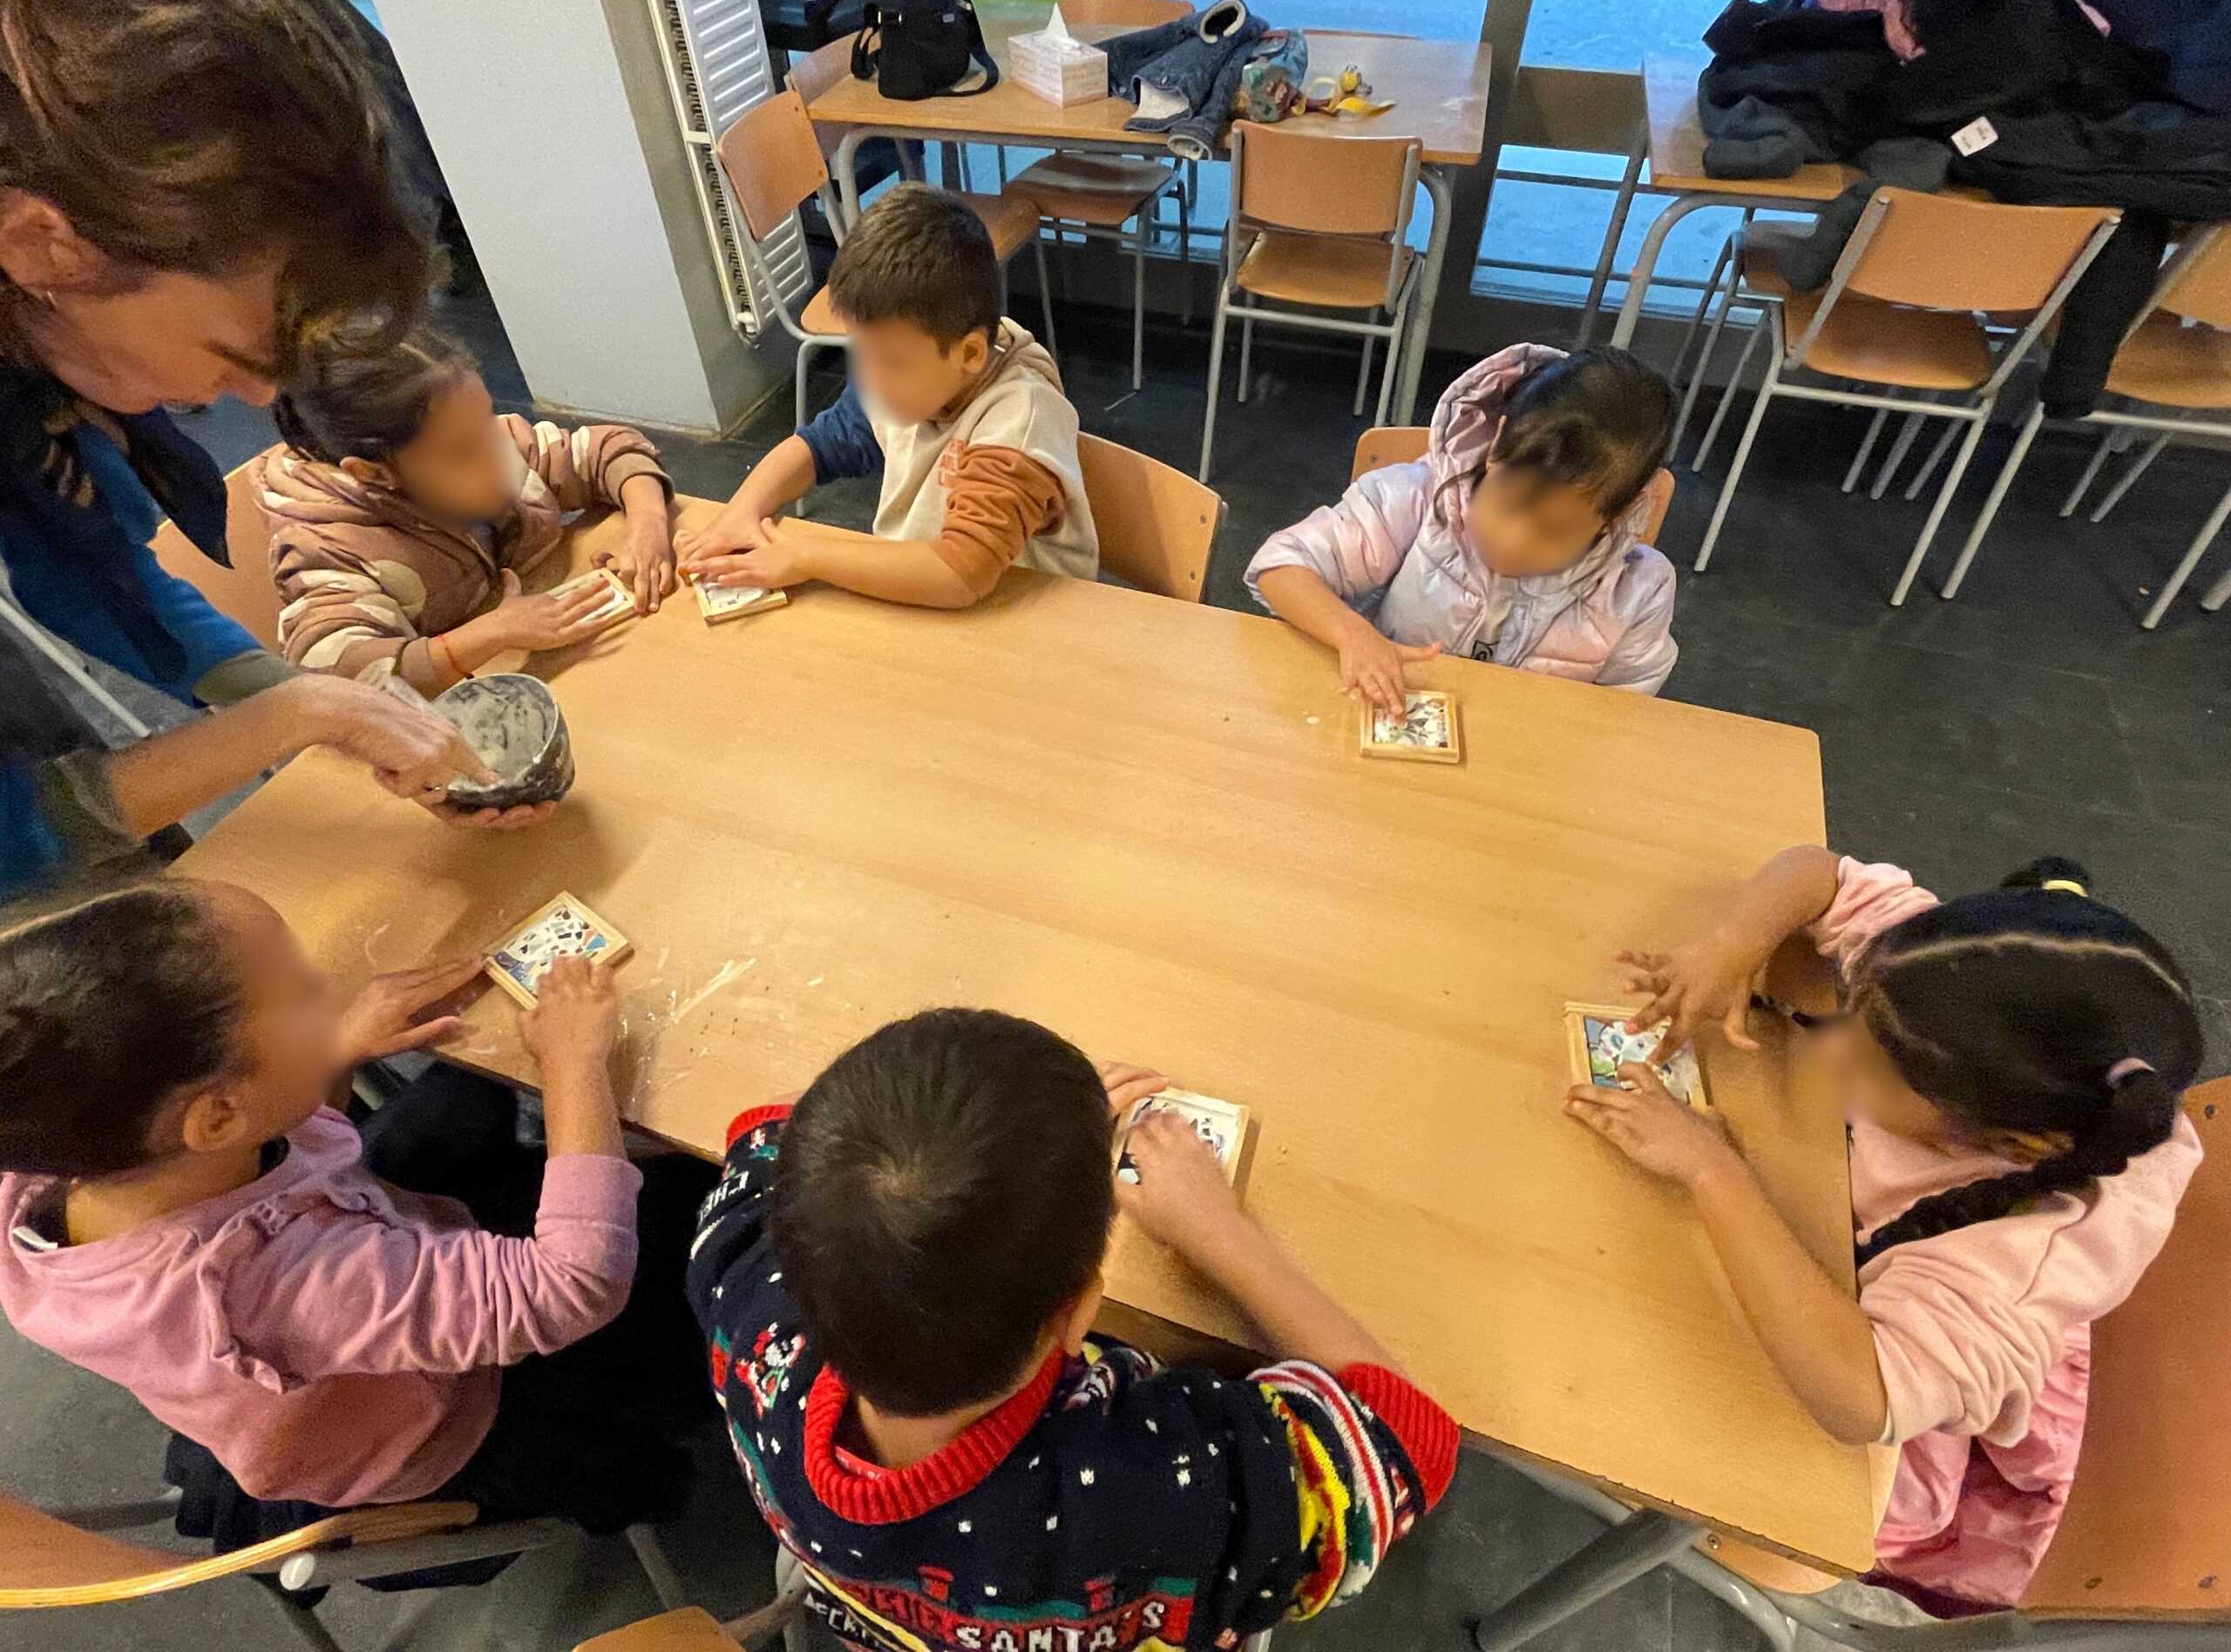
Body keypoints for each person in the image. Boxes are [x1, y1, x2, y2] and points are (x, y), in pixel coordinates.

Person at [688, 1009, 1456, 1652]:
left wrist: (1002, 1132)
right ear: (1079, 1311)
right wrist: (1216, 1230)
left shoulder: (744, 1294)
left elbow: (767, 1128)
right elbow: (1407, 1438)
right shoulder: (1160, 1486)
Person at [0, 0, 526, 902]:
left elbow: (110, 589)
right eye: (234, 353)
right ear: (40, 246)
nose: (260, 395)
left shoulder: (55, 378)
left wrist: (338, 708)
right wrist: (289, 715)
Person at [1571, 848, 2205, 1611]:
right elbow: (1818, 874)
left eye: (1874, 1064)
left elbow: (1858, 1398)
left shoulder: (2015, 1258)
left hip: (1903, 1376)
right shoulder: (1949, 992)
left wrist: (1713, 1171)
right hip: (1859, 1248)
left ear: (2010, 1143)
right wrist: (1731, 948)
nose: (1834, 1048)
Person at [0, 882, 715, 1546]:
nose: (328, 988)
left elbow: (269, 1134)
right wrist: (573, 1065)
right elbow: (572, 1285)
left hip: (352, 1243)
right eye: (303, 993)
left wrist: (332, 1050)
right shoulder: (277, 1286)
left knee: (466, 1101)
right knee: (698, 1204)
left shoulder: (55, 1143)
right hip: (460, 1414)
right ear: (218, 1118)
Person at [676, 186, 1098, 608]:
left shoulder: (1018, 421)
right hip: (931, 605)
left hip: (1027, 624)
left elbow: (961, 574)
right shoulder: (909, 382)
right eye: (861, 352)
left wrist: (805, 557)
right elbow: (816, 447)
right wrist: (741, 512)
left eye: (892, 362)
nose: (870, 379)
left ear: (970, 354)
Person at [1246, 344, 1679, 709]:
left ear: (1617, 516)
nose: (1515, 541)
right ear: (1497, 444)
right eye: (1507, 502)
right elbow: (1280, 566)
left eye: (1556, 530)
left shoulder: (1639, 592)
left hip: (1527, 764)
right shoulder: (1419, 500)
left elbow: (1626, 717)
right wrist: (1354, 635)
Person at [256, 327, 677, 695]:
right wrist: (493, 631)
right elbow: (338, 676)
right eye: (463, 453)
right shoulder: (325, 549)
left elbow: (608, 449)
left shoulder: (486, 442)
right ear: (373, 473)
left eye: (488, 421)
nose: (498, 456)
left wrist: (648, 524)